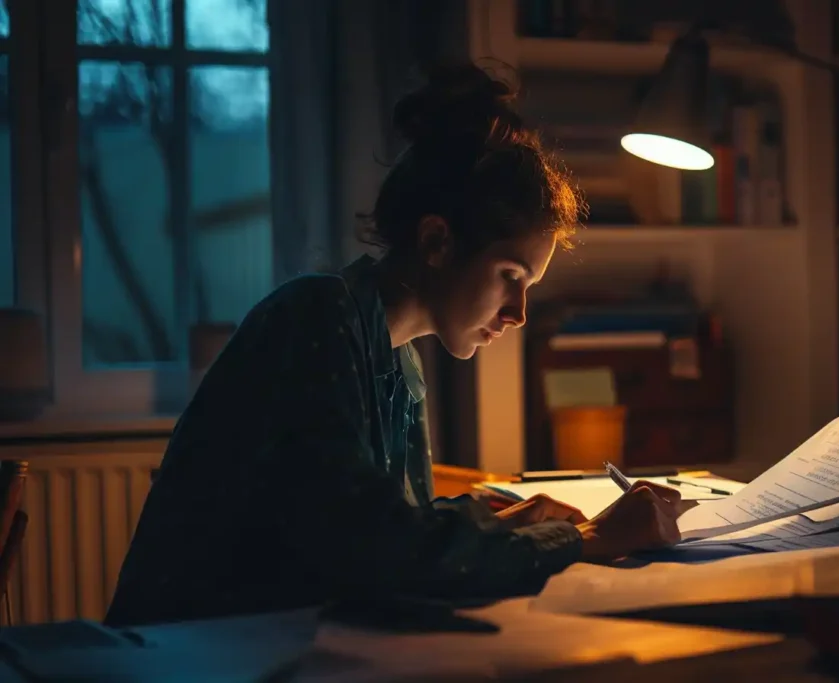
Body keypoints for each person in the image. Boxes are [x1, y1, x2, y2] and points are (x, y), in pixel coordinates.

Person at [105, 65, 684, 627]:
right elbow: (373, 553)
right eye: (510, 276)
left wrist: (502, 522)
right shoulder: (315, 318)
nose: (518, 314)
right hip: (185, 654)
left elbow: (387, 523)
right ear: (436, 241)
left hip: (279, 647)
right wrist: (582, 540)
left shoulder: (397, 360)